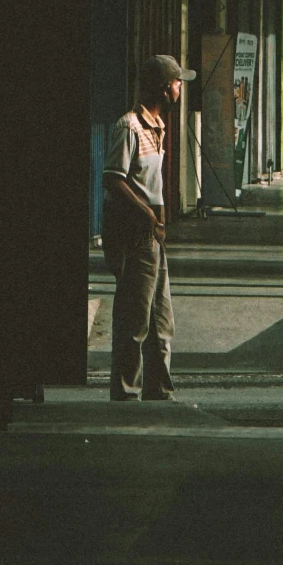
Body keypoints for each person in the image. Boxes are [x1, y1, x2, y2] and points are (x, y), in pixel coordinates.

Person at [103, 53, 194, 404]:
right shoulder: (129, 127)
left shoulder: (158, 127)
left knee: (161, 321)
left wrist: (161, 221)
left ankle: (159, 390)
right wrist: (146, 214)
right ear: (162, 87)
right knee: (134, 322)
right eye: (176, 83)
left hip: (155, 237)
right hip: (135, 237)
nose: (179, 88)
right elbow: (113, 178)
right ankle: (126, 394)